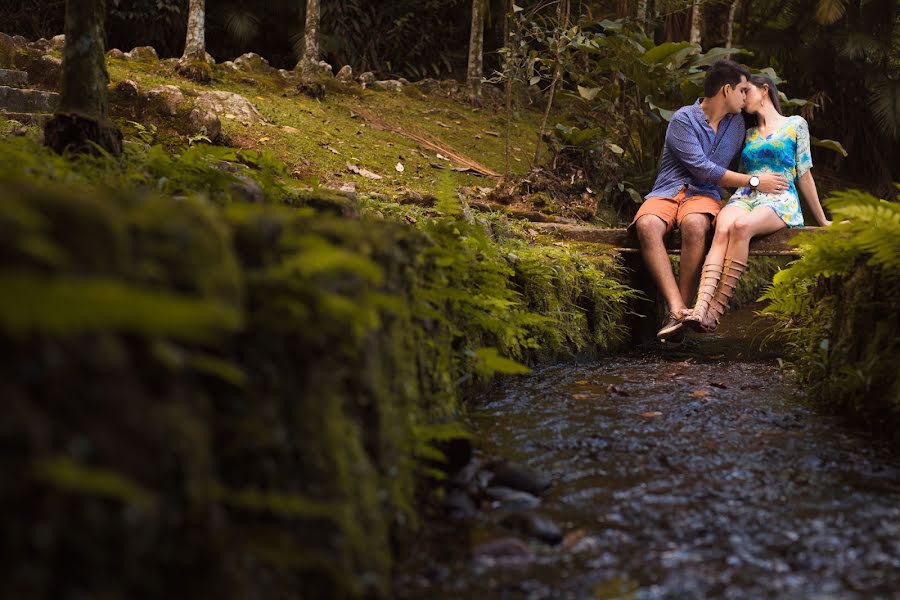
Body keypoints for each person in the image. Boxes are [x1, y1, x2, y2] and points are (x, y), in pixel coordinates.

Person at [631, 60, 789, 341]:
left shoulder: (738, 124)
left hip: (703, 196)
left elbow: (770, 131)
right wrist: (753, 181)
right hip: (668, 191)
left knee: (694, 225)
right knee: (646, 225)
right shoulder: (683, 119)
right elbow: (703, 168)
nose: (745, 97)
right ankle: (677, 309)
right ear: (726, 90)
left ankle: (683, 310)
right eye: (742, 90)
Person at [684, 74, 833, 332]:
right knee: (722, 225)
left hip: (779, 199)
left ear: (764, 90)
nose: (743, 98)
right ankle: (699, 309)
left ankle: (715, 312)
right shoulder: (748, 131)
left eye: (747, 91)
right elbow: (735, 172)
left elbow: (805, 174)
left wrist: (822, 220)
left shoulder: (795, 125)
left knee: (741, 227)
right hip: (745, 196)